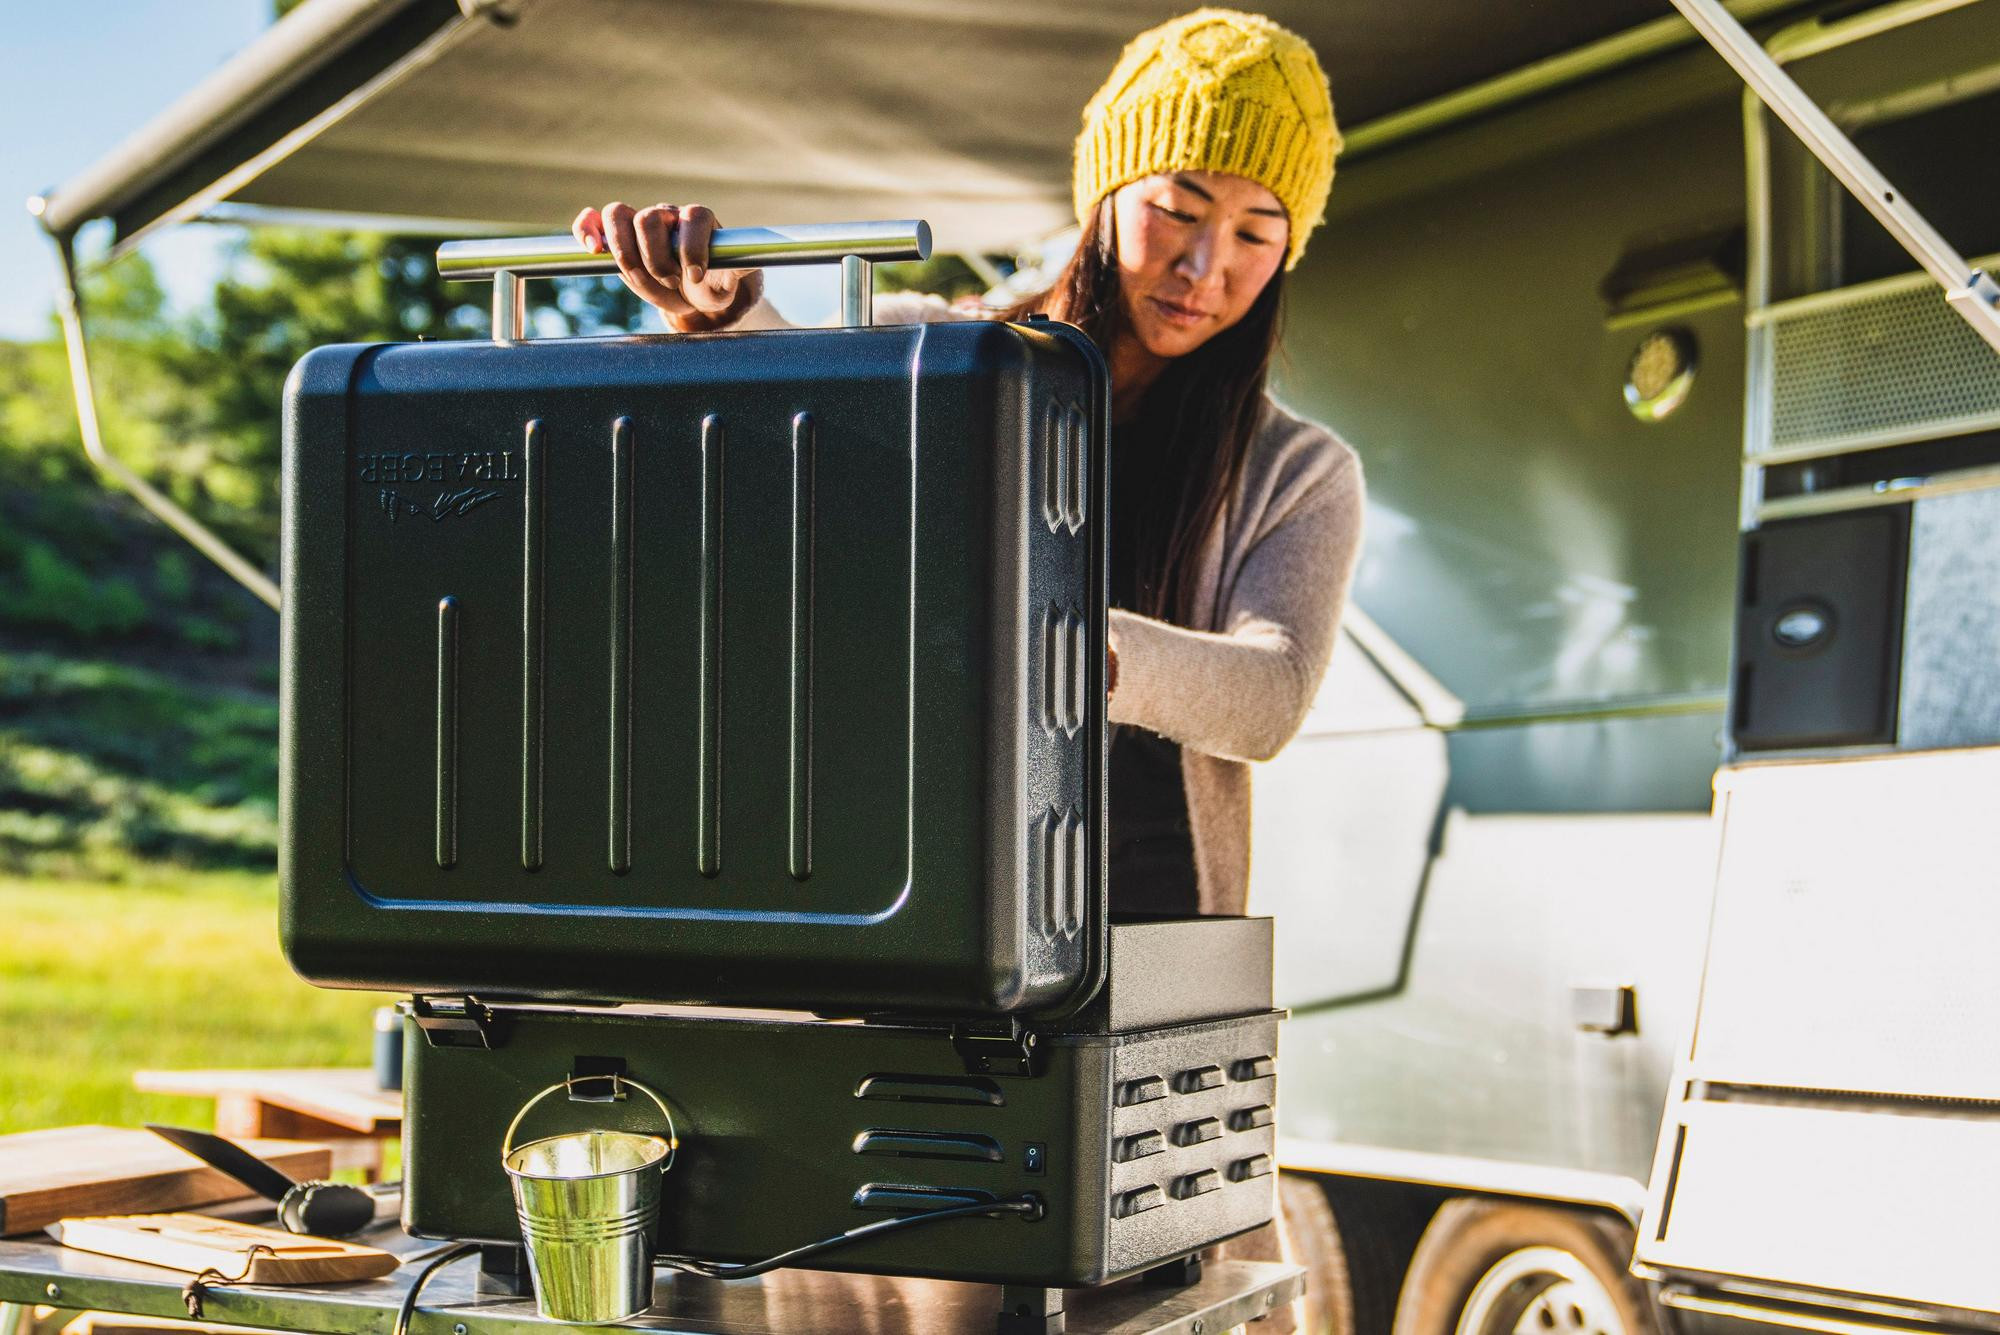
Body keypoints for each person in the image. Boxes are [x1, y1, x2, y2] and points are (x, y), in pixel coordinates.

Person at [576, 8, 1362, 1326]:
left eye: (1256, 232)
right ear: (1110, 186)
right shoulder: (942, 351)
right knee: (923, 1291)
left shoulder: (1296, 469)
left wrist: (1059, 638)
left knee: (1148, 1301)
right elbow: (802, 422)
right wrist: (725, 318)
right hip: (909, 938)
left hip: (1144, 980)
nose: (1205, 265)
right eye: (1179, 206)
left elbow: (1267, 697)